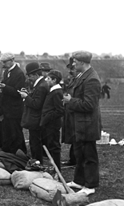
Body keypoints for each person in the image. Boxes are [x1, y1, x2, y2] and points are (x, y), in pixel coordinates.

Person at [62, 51, 101, 196]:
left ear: (82, 63)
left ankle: (90, 185)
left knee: (89, 156)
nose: (73, 64)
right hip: (79, 124)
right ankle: (79, 180)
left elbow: (89, 105)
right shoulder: (82, 76)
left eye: (75, 62)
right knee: (80, 154)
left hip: (87, 125)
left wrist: (70, 101)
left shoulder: (92, 79)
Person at [19, 62, 49, 164]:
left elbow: (36, 104)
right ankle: (36, 161)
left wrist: (25, 97)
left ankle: (37, 162)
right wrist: (28, 94)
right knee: (34, 141)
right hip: (37, 119)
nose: (29, 79)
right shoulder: (41, 84)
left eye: (30, 76)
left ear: (35, 75)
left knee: (35, 142)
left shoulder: (41, 86)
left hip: (36, 119)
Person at [0, 53, 27, 154]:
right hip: (6, 108)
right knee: (8, 131)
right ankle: (9, 150)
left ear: (12, 60)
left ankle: (20, 152)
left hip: (15, 109)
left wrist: (4, 87)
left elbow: (18, 92)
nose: (4, 64)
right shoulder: (6, 72)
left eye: (5, 62)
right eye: (3, 62)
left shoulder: (19, 74)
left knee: (16, 131)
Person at [41, 70, 64, 171]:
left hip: (53, 124)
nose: (46, 80)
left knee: (54, 147)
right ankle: (53, 166)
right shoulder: (52, 91)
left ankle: (57, 169)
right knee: (50, 145)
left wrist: (47, 117)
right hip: (49, 124)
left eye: (49, 79)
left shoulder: (57, 92)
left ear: (55, 80)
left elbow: (60, 111)